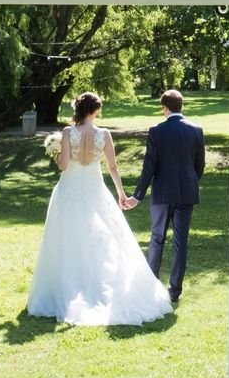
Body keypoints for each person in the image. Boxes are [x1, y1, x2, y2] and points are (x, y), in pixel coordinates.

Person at [27, 92, 172, 325]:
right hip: (95, 191)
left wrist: (56, 155)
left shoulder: (67, 133)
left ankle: (67, 288)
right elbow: (113, 167)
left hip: (69, 191)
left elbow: (64, 166)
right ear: (94, 111)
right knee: (103, 238)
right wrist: (122, 194)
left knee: (67, 240)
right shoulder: (103, 134)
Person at [123, 90, 205, 303]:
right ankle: (175, 291)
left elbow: (149, 166)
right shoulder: (196, 130)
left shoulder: (157, 131)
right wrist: (189, 182)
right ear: (181, 106)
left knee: (157, 238)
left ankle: (151, 285)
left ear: (164, 108)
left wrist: (137, 195)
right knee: (181, 242)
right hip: (187, 193)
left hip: (162, 194)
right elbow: (200, 166)